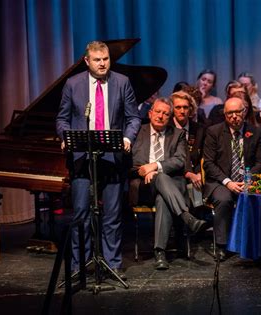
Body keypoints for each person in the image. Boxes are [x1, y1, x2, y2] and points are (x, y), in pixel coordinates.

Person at [56, 41, 141, 280]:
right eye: (97, 60)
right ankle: (79, 265)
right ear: (87, 61)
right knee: (81, 212)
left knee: (113, 214)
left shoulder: (122, 82)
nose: (102, 63)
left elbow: (133, 117)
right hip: (83, 156)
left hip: (113, 156)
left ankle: (112, 263)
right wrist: (65, 137)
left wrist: (127, 137)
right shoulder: (73, 84)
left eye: (105, 59)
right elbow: (62, 119)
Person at [129, 97, 207, 270]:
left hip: (171, 186)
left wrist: (155, 167)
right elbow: (132, 163)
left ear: (169, 116)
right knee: (161, 178)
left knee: (162, 197)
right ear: (150, 113)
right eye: (158, 112)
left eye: (165, 113)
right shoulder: (138, 132)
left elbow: (180, 160)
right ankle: (186, 217)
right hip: (144, 186)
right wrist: (147, 170)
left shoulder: (177, 134)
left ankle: (160, 253)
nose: (161, 116)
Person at [203, 97, 261, 261]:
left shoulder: (256, 132)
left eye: (237, 112)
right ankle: (222, 246)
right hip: (221, 181)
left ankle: (257, 243)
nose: (234, 116)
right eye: (229, 113)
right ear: (225, 114)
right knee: (224, 200)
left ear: (244, 112)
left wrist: (248, 178)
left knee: (259, 199)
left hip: (248, 179)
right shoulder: (214, 132)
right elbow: (209, 164)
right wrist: (228, 182)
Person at [170, 91, 205, 195]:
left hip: (196, 175)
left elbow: (203, 155)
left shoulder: (199, 129)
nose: (182, 111)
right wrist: (187, 173)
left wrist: (199, 173)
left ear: (190, 109)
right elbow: (167, 159)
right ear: (172, 109)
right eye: (178, 107)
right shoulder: (167, 129)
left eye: (185, 107)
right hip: (175, 175)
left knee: (198, 195)